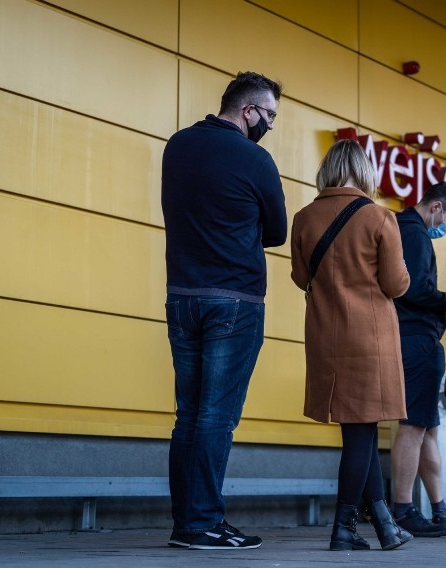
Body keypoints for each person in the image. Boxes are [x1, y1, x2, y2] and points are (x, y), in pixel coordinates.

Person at [162, 71, 286, 550]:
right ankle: (205, 522)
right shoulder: (255, 158)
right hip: (235, 299)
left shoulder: (178, 145)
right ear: (248, 110)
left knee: (188, 415)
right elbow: (275, 231)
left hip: (183, 295)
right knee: (216, 418)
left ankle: (187, 522)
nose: (270, 125)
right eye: (269, 115)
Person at [290, 139, 412, 551]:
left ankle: (385, 526)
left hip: (325, 335)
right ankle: (343, 527)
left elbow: (299, 277)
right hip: (370, 337)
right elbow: (396, 284)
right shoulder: (379, 217)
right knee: (361, 434)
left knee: (358, 429)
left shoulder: (304, 218)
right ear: (363, 171)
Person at [390, 182, 446, 538]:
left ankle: (439, 509)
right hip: (416, 338)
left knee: (427, 428)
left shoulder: (400, 227)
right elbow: (415, 288)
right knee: (414, 426)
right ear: (435, 207)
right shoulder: (414, 234)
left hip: (413, 337)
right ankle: (403, 509)